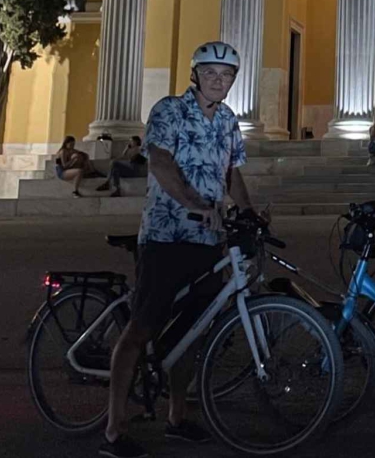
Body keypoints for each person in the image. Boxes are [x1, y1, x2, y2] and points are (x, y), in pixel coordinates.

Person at [101, 41, 262, 458]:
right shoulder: (169, 110)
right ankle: (114, 428)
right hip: (166, 236)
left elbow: (232, 174)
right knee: (141, 328)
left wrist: (249, 214)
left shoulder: (227, 120)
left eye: (226, 75)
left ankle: (177, 417)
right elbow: (160, 163)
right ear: (195, 74)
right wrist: (195, 204)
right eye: (210, 73)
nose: (218, 81)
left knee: (193, 332)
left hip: (208, 241)